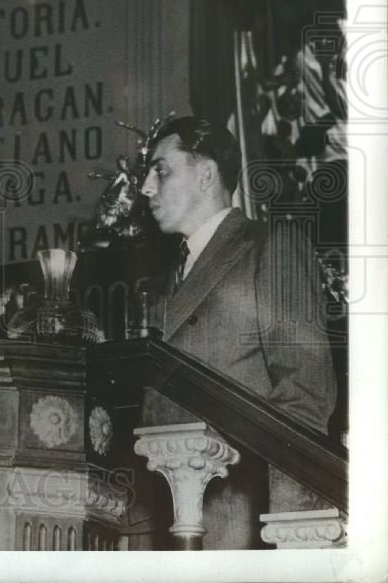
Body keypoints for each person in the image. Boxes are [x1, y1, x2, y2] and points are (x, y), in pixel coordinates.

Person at [129, 115, 337, 548]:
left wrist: (262, 506)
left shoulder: (268, 247)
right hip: (164, 519)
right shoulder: (162, 277)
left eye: (160, 170)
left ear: (205, 173)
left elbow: (305, 394)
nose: (146, 187)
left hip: (235, 517)